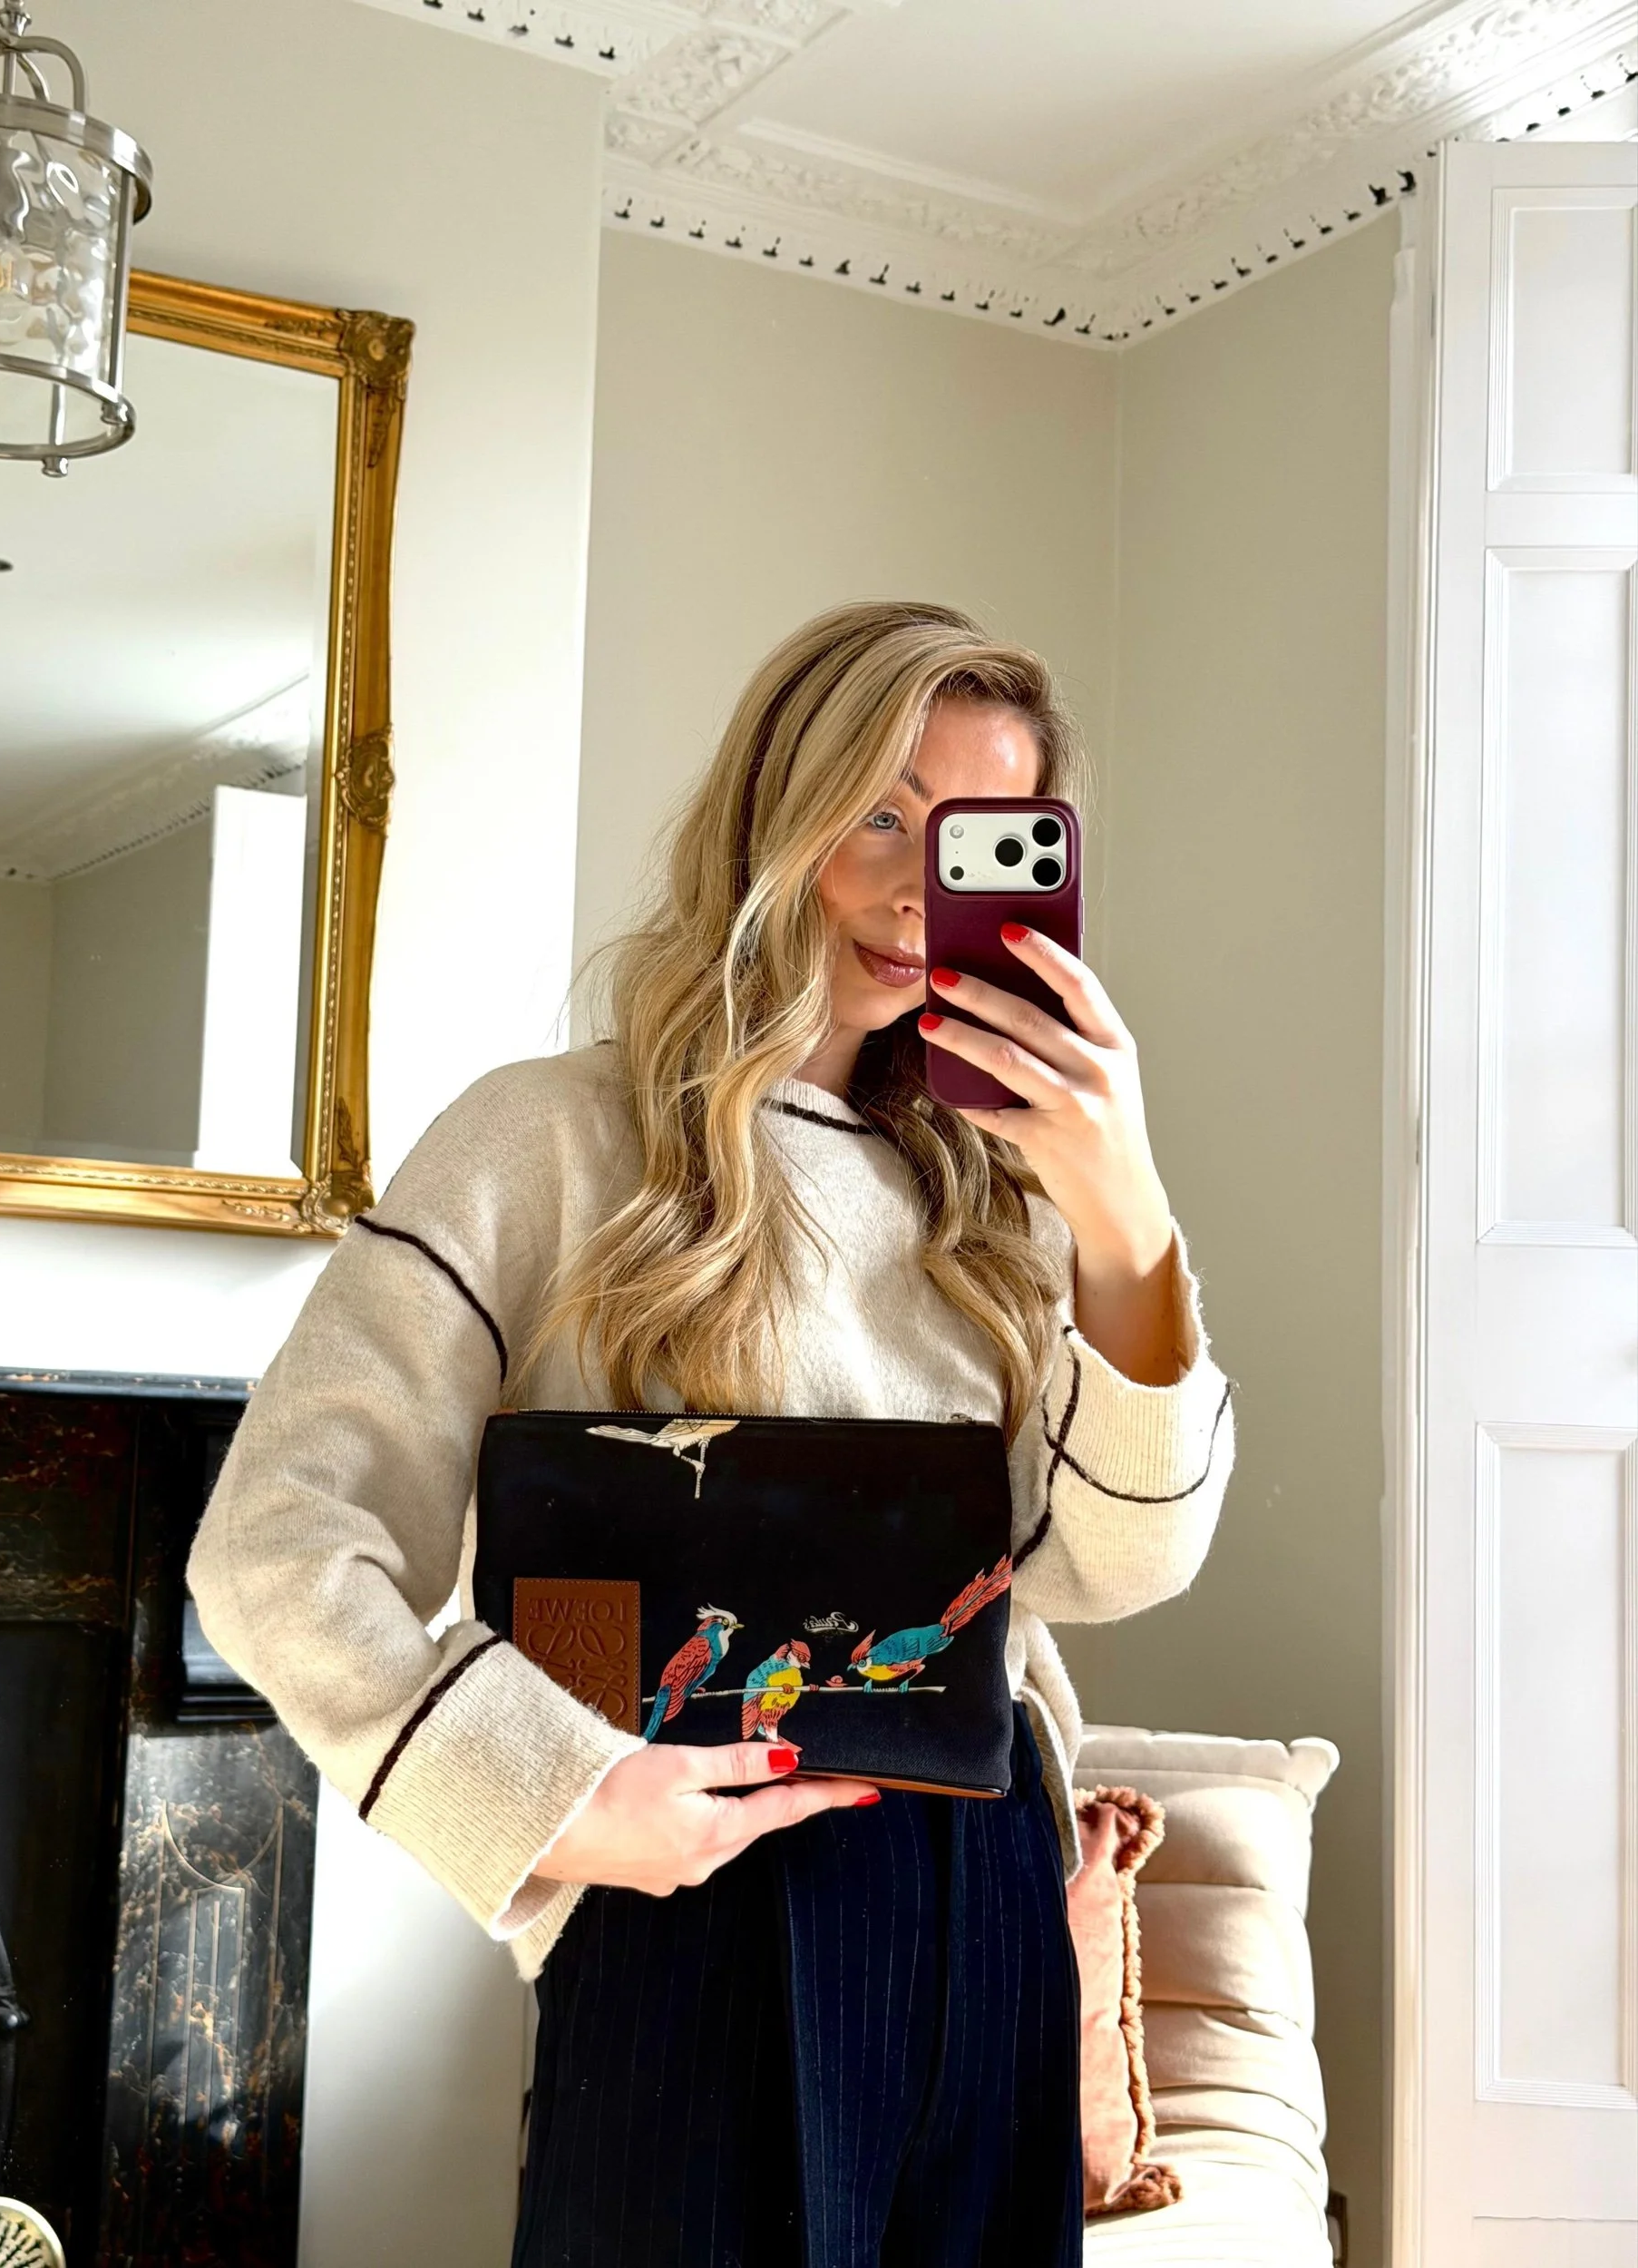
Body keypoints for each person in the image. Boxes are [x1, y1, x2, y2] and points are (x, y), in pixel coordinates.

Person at [188, 600, 1233, 2267]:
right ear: (773, 811)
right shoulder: (546, 1139)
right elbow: (276, 1545)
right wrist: (552, 1796)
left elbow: (1117, 1567)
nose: (918, 889)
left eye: (977, 841)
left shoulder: (1013, 1198)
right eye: (878, 812)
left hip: (988, 1892)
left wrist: (1125, 1217)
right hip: (696, 1888)